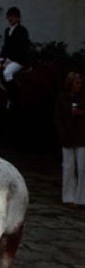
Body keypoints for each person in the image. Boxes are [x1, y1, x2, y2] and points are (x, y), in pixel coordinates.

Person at [54, 71, 85, 208]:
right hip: (67, 135)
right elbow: (58, 117)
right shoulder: (62, 97)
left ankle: (81, 199)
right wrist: (62, 133)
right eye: (76, 82)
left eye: (80, 83)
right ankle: (68, 197)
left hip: (82, 136)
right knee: (68, 166)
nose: (79, 85)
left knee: (82, 167)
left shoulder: (83, 98)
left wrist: (80, 113)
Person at [0, 7, 31, 95]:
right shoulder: (7, 31)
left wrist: (9, 60)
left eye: (13, 16)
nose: (10, 18)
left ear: (18, 18)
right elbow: (6, 47)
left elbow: (20, 48)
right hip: (9, 60)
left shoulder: (22, 30)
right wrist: (1, 58)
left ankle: (13, 97)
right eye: (9, 16)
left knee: (7, 73)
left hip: (19, 60)